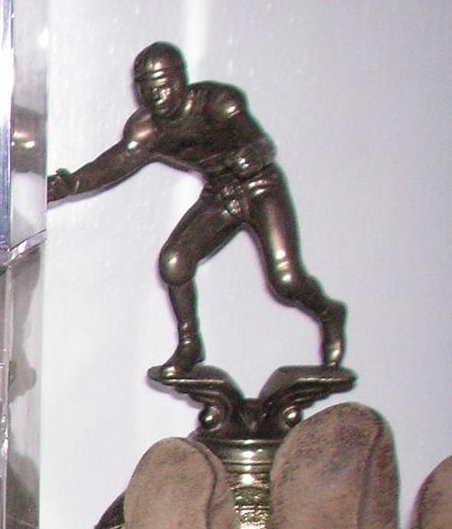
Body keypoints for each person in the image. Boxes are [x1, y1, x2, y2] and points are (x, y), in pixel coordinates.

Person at [50, 42, 345, 376]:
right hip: (221, 195)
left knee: (287, 280)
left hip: (262, 188)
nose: (157, 97)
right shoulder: (147, 130)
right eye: (148, 90)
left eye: (163, 86)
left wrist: (255, 155)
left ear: (181, 80)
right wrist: (71, 184)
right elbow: (114, 164)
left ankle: (329, 313)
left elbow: (261, 143)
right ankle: (190, 344)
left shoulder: (218, 103)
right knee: (175, 263)